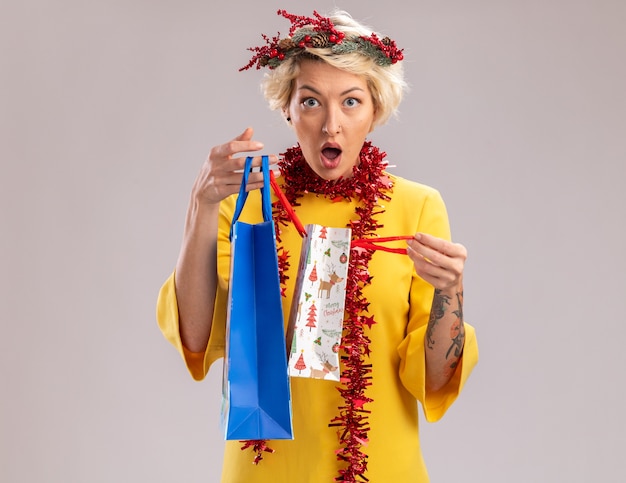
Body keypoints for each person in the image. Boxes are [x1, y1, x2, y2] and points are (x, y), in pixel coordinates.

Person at [157, 9, 478, 482]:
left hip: (381, 470)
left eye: (351, 102)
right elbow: (195, 334)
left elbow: (432, 379)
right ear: (287, 108)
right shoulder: (247, 205)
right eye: (311, 102)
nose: (332, 124)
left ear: (375, 111)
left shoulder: (417, 207)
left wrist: (451, 291)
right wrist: (203, 204)